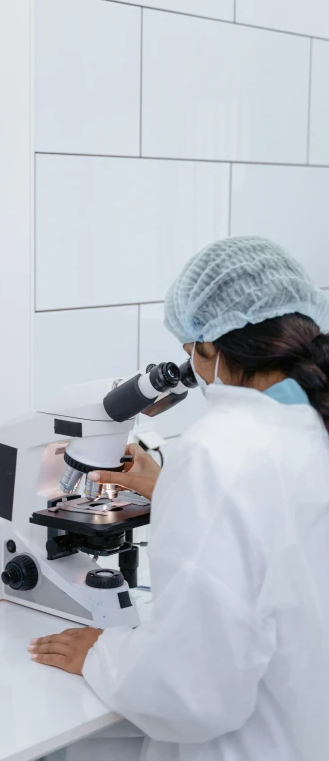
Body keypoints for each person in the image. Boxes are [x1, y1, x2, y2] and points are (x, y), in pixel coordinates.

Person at [29, 236, 329, 761]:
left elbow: (193, 690)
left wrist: (104, 655)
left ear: (208, 346)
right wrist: (170, 488)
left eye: (188, 348)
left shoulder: (219, 451)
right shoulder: (307, 420)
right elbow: (287, 535)